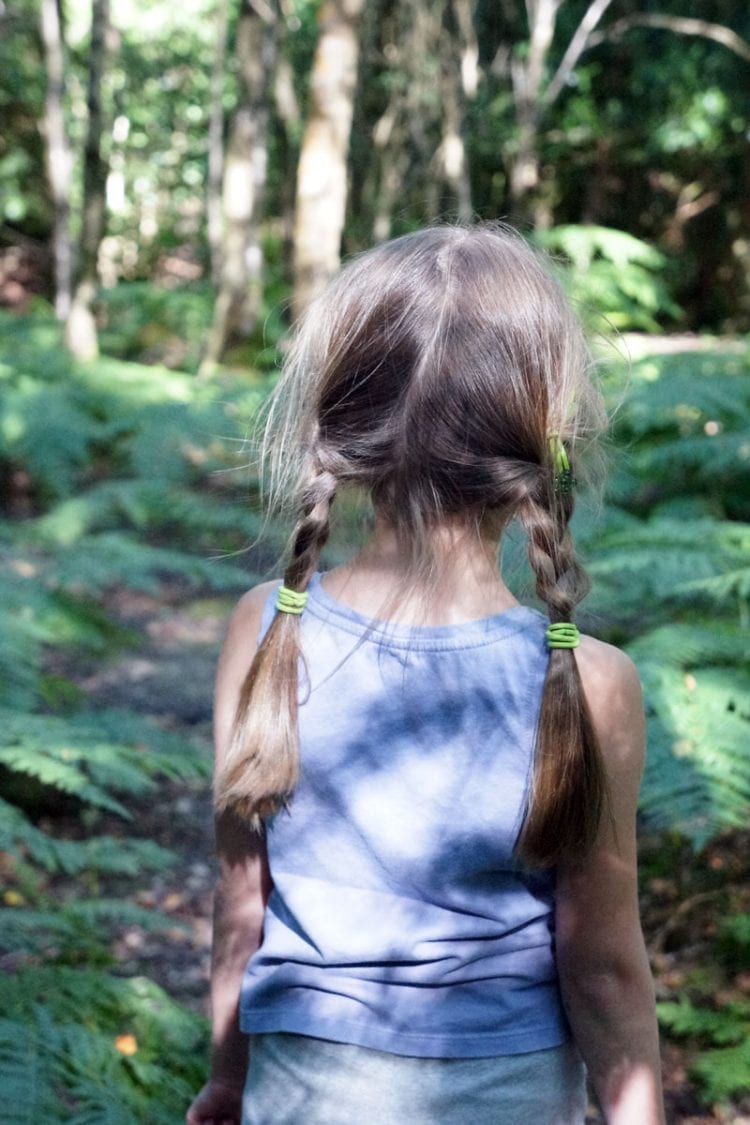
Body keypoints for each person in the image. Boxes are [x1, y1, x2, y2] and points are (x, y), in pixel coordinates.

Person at [186, 224, 665, 1125]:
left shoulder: (266, 625)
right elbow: (599, 961)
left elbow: (241, 905)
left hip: (303, 1096)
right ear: (542, 447)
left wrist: (226, 1079)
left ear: (336, 426)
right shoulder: (590, 681)